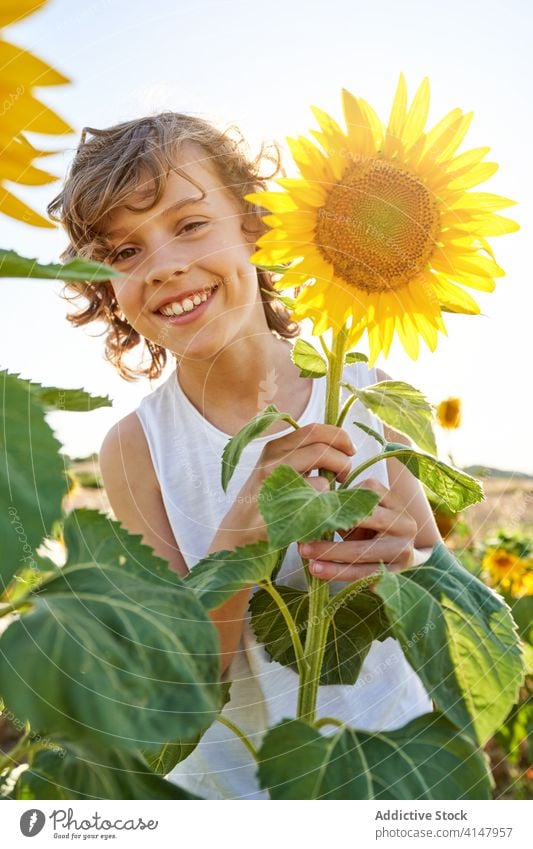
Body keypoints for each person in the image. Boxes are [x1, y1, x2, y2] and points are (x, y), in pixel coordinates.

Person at [49, 112, 442, 800]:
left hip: (386, 759)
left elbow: (439, 576)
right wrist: (239, 533)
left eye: (190, 224)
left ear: (256, 224)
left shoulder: (363, 391)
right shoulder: (137, 447)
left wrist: (403, 562)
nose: (165, 265)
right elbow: (176, 683)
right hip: (234, 789)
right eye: (123, 252)